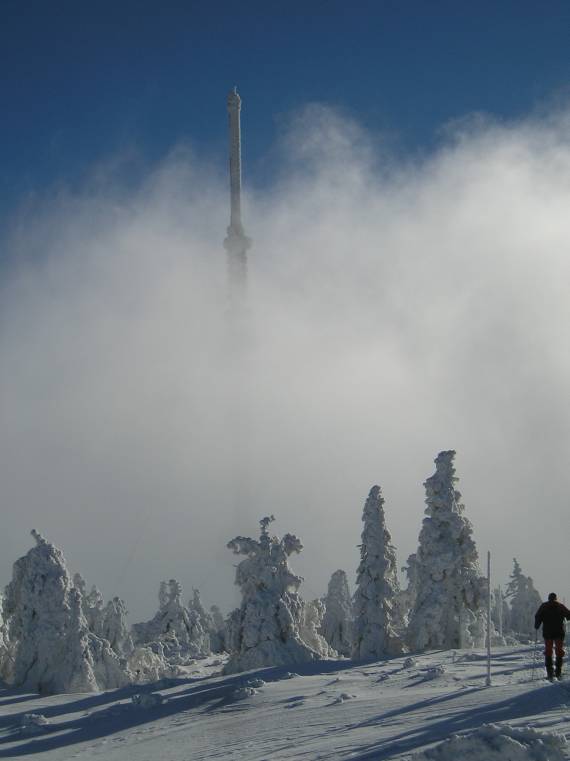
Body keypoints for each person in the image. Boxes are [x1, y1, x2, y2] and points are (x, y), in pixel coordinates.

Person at [535, 593, 570, 681]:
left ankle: (550, 672)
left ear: (548, 598)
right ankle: (558, 671)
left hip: (548, 633)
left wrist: (537, 625)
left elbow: (538, 616)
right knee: (559, 651)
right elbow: (569, 615)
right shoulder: (560, 606)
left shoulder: (544, 606)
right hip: (559, 632)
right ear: (556, 598)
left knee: (548, 651)